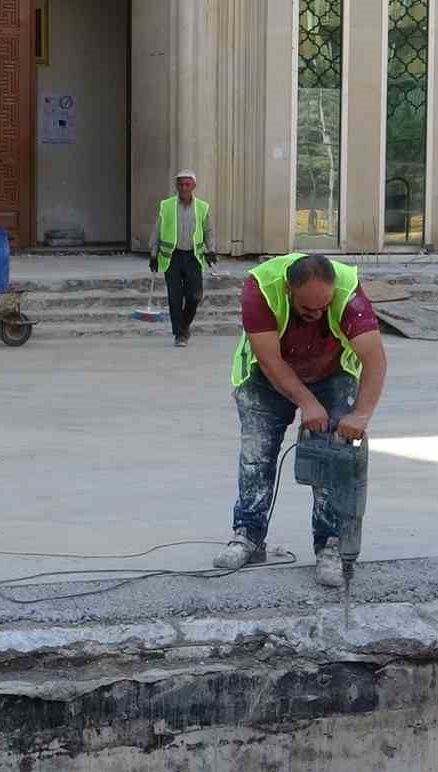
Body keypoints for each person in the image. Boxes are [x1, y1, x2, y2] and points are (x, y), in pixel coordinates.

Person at [214, 253, 388, 587]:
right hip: (268, 376)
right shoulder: (261, 288)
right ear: (289, 291)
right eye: (308, 309)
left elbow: (375, 359)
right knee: (256, 457)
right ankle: (247, 536)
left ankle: (330, 544)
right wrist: (307, 402)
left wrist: (360, 414)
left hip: (333, 372)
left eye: (324, 307)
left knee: (333, 460)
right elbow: (269, 359)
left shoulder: (348, 292)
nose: (318, 314)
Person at [148, 169, 216, 347]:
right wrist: (153, 255)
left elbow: (208, 230)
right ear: (176, 186)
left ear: (194, 186)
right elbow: (157, 230)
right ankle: (180, 334)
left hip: (193, 257)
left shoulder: (202, 207)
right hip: (172, 257)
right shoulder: (166, 205)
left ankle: (184, 326)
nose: (184, 188)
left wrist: (211, 250)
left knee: (195, 296)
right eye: (181, 184)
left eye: (187, 184)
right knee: (174, 298)